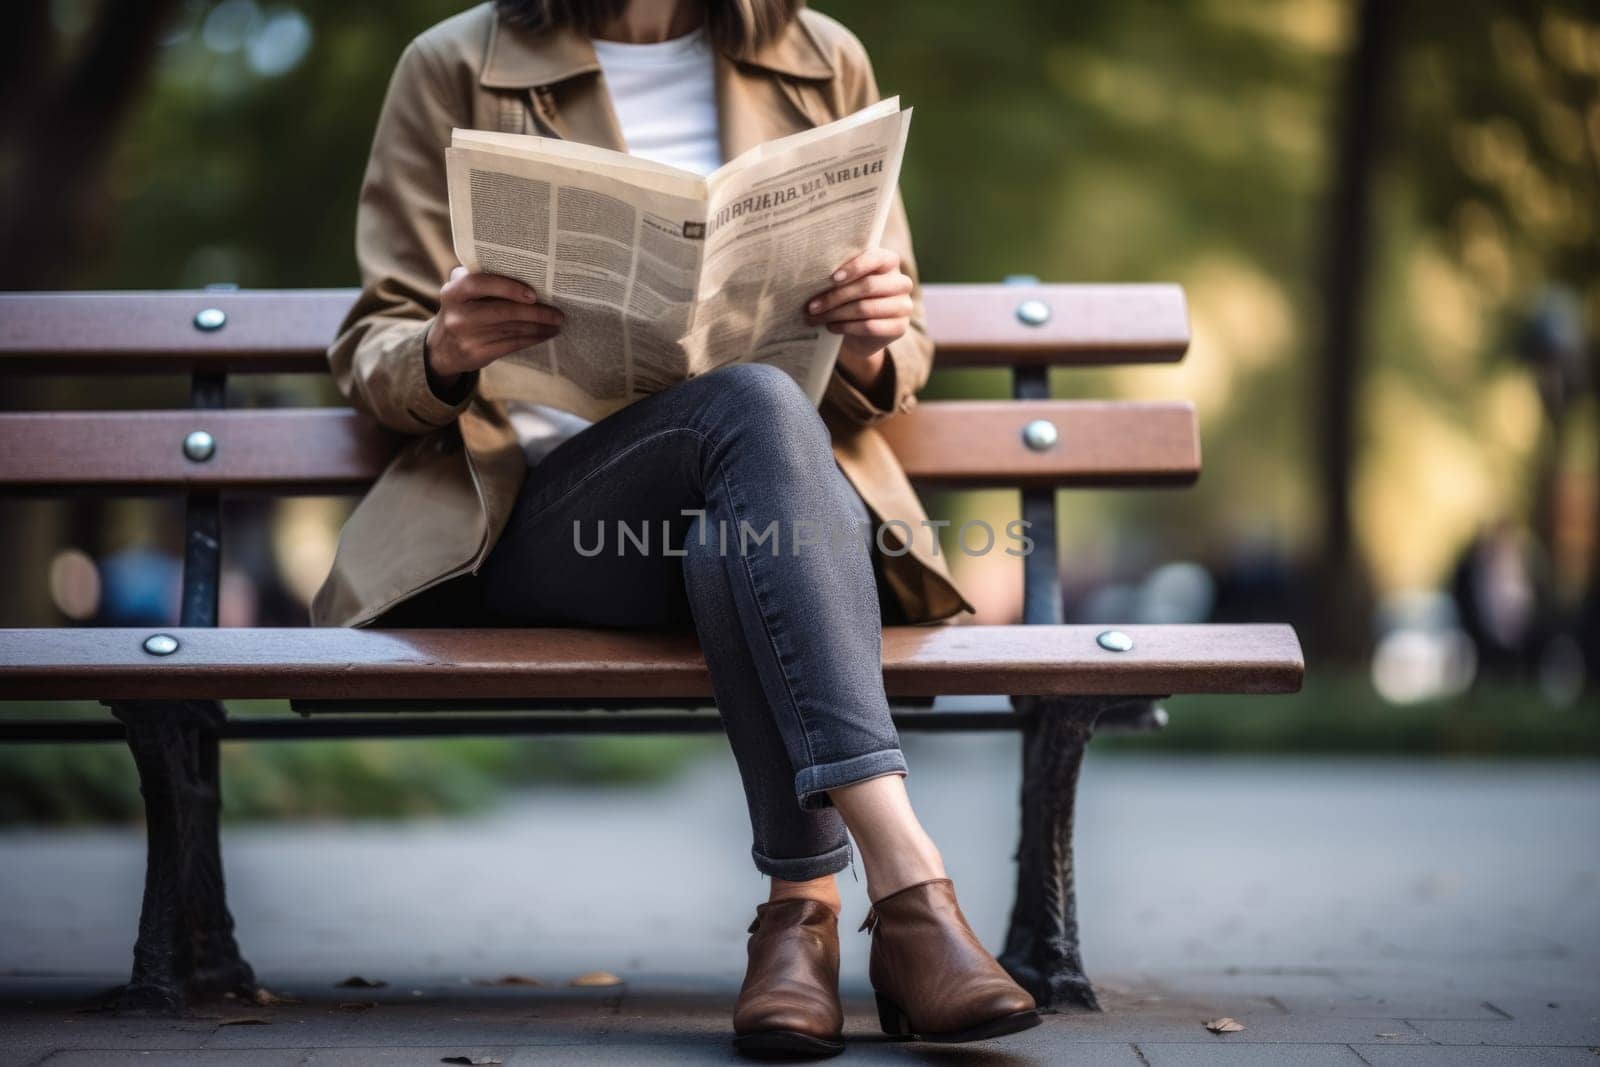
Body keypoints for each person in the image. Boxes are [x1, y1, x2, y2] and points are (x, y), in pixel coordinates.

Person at [315, 0, 1038, 1055]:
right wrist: (441, 346)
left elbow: (903, 337)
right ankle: (909, 887)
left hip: (768, 530)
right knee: (746, 407)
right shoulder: (454, 63)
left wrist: (879, 338)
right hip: (555, 524)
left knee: (738, 516)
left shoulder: (818, 54)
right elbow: (374, 345)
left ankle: (799, 922)